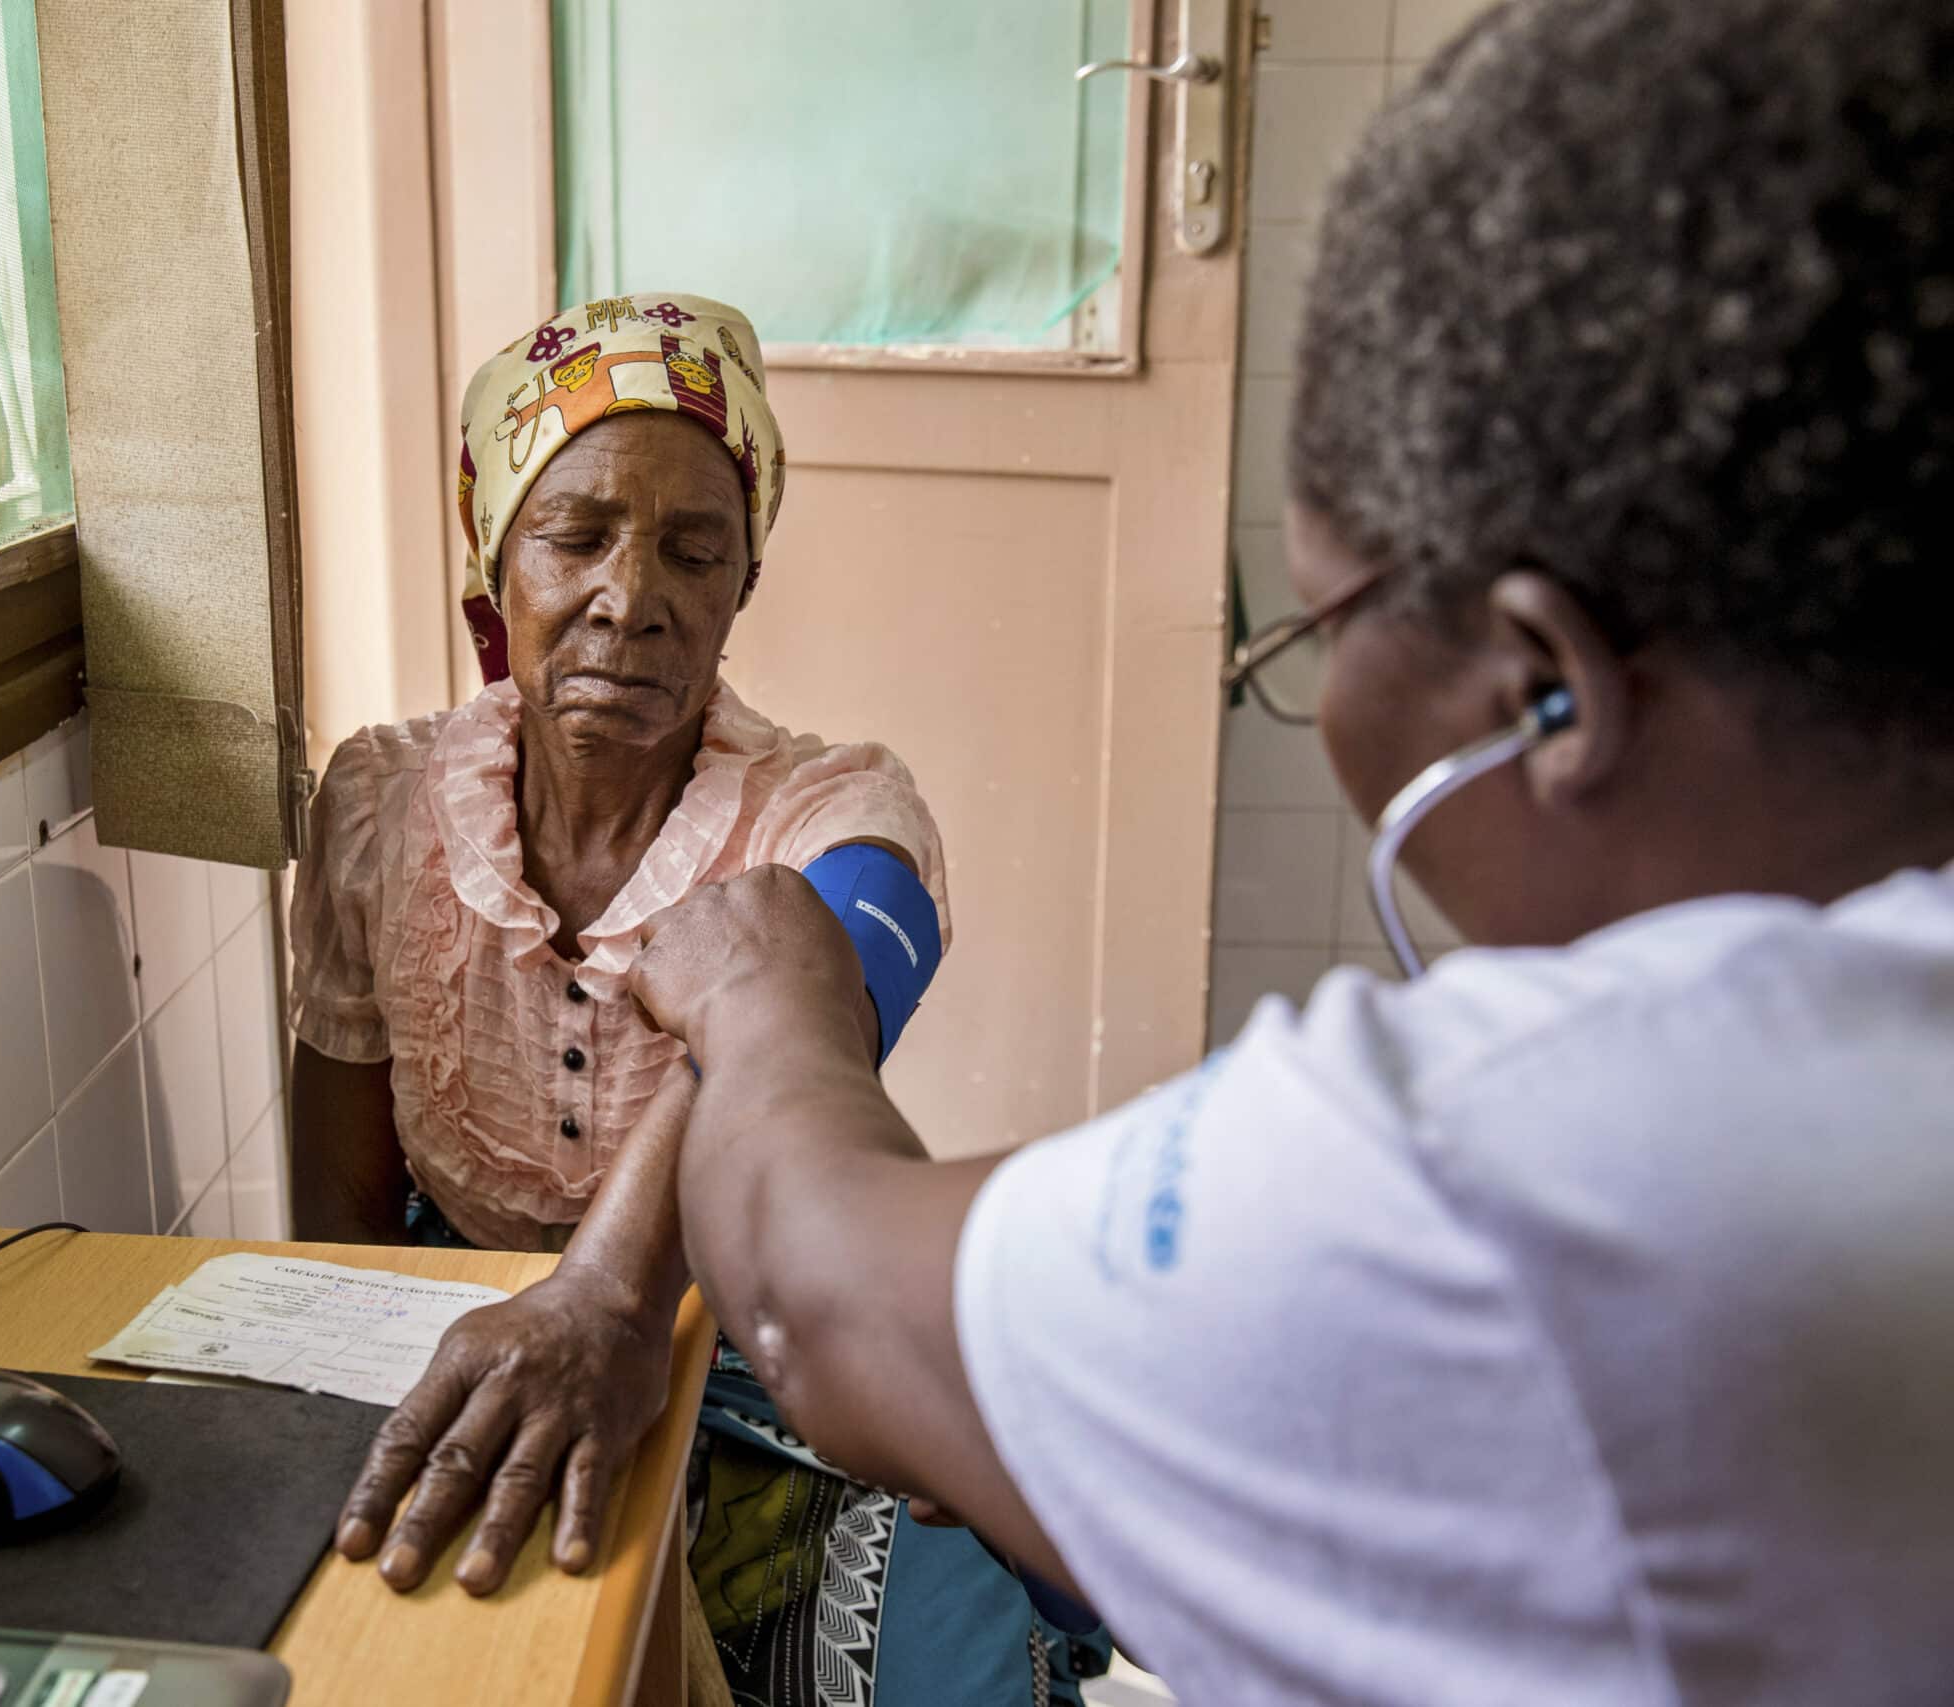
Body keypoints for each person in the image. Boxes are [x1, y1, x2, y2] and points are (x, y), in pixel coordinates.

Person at [628, 1, 1954, 1701]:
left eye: (1321, 632)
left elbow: (828, 1305)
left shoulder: (1512, 1182)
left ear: (1548, 689)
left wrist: (765, 1011)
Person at [289, 296, 1097, 1700]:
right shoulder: (380, 805)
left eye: (693, 548)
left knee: (939, 1666)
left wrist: (606, 1298)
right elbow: (347, 1215)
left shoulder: (833, 814)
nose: (632, 594)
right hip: (467, 1335)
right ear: (496, 565)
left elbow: (815, 986)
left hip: (771, 1363)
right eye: (578, 535)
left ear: (744, 582)